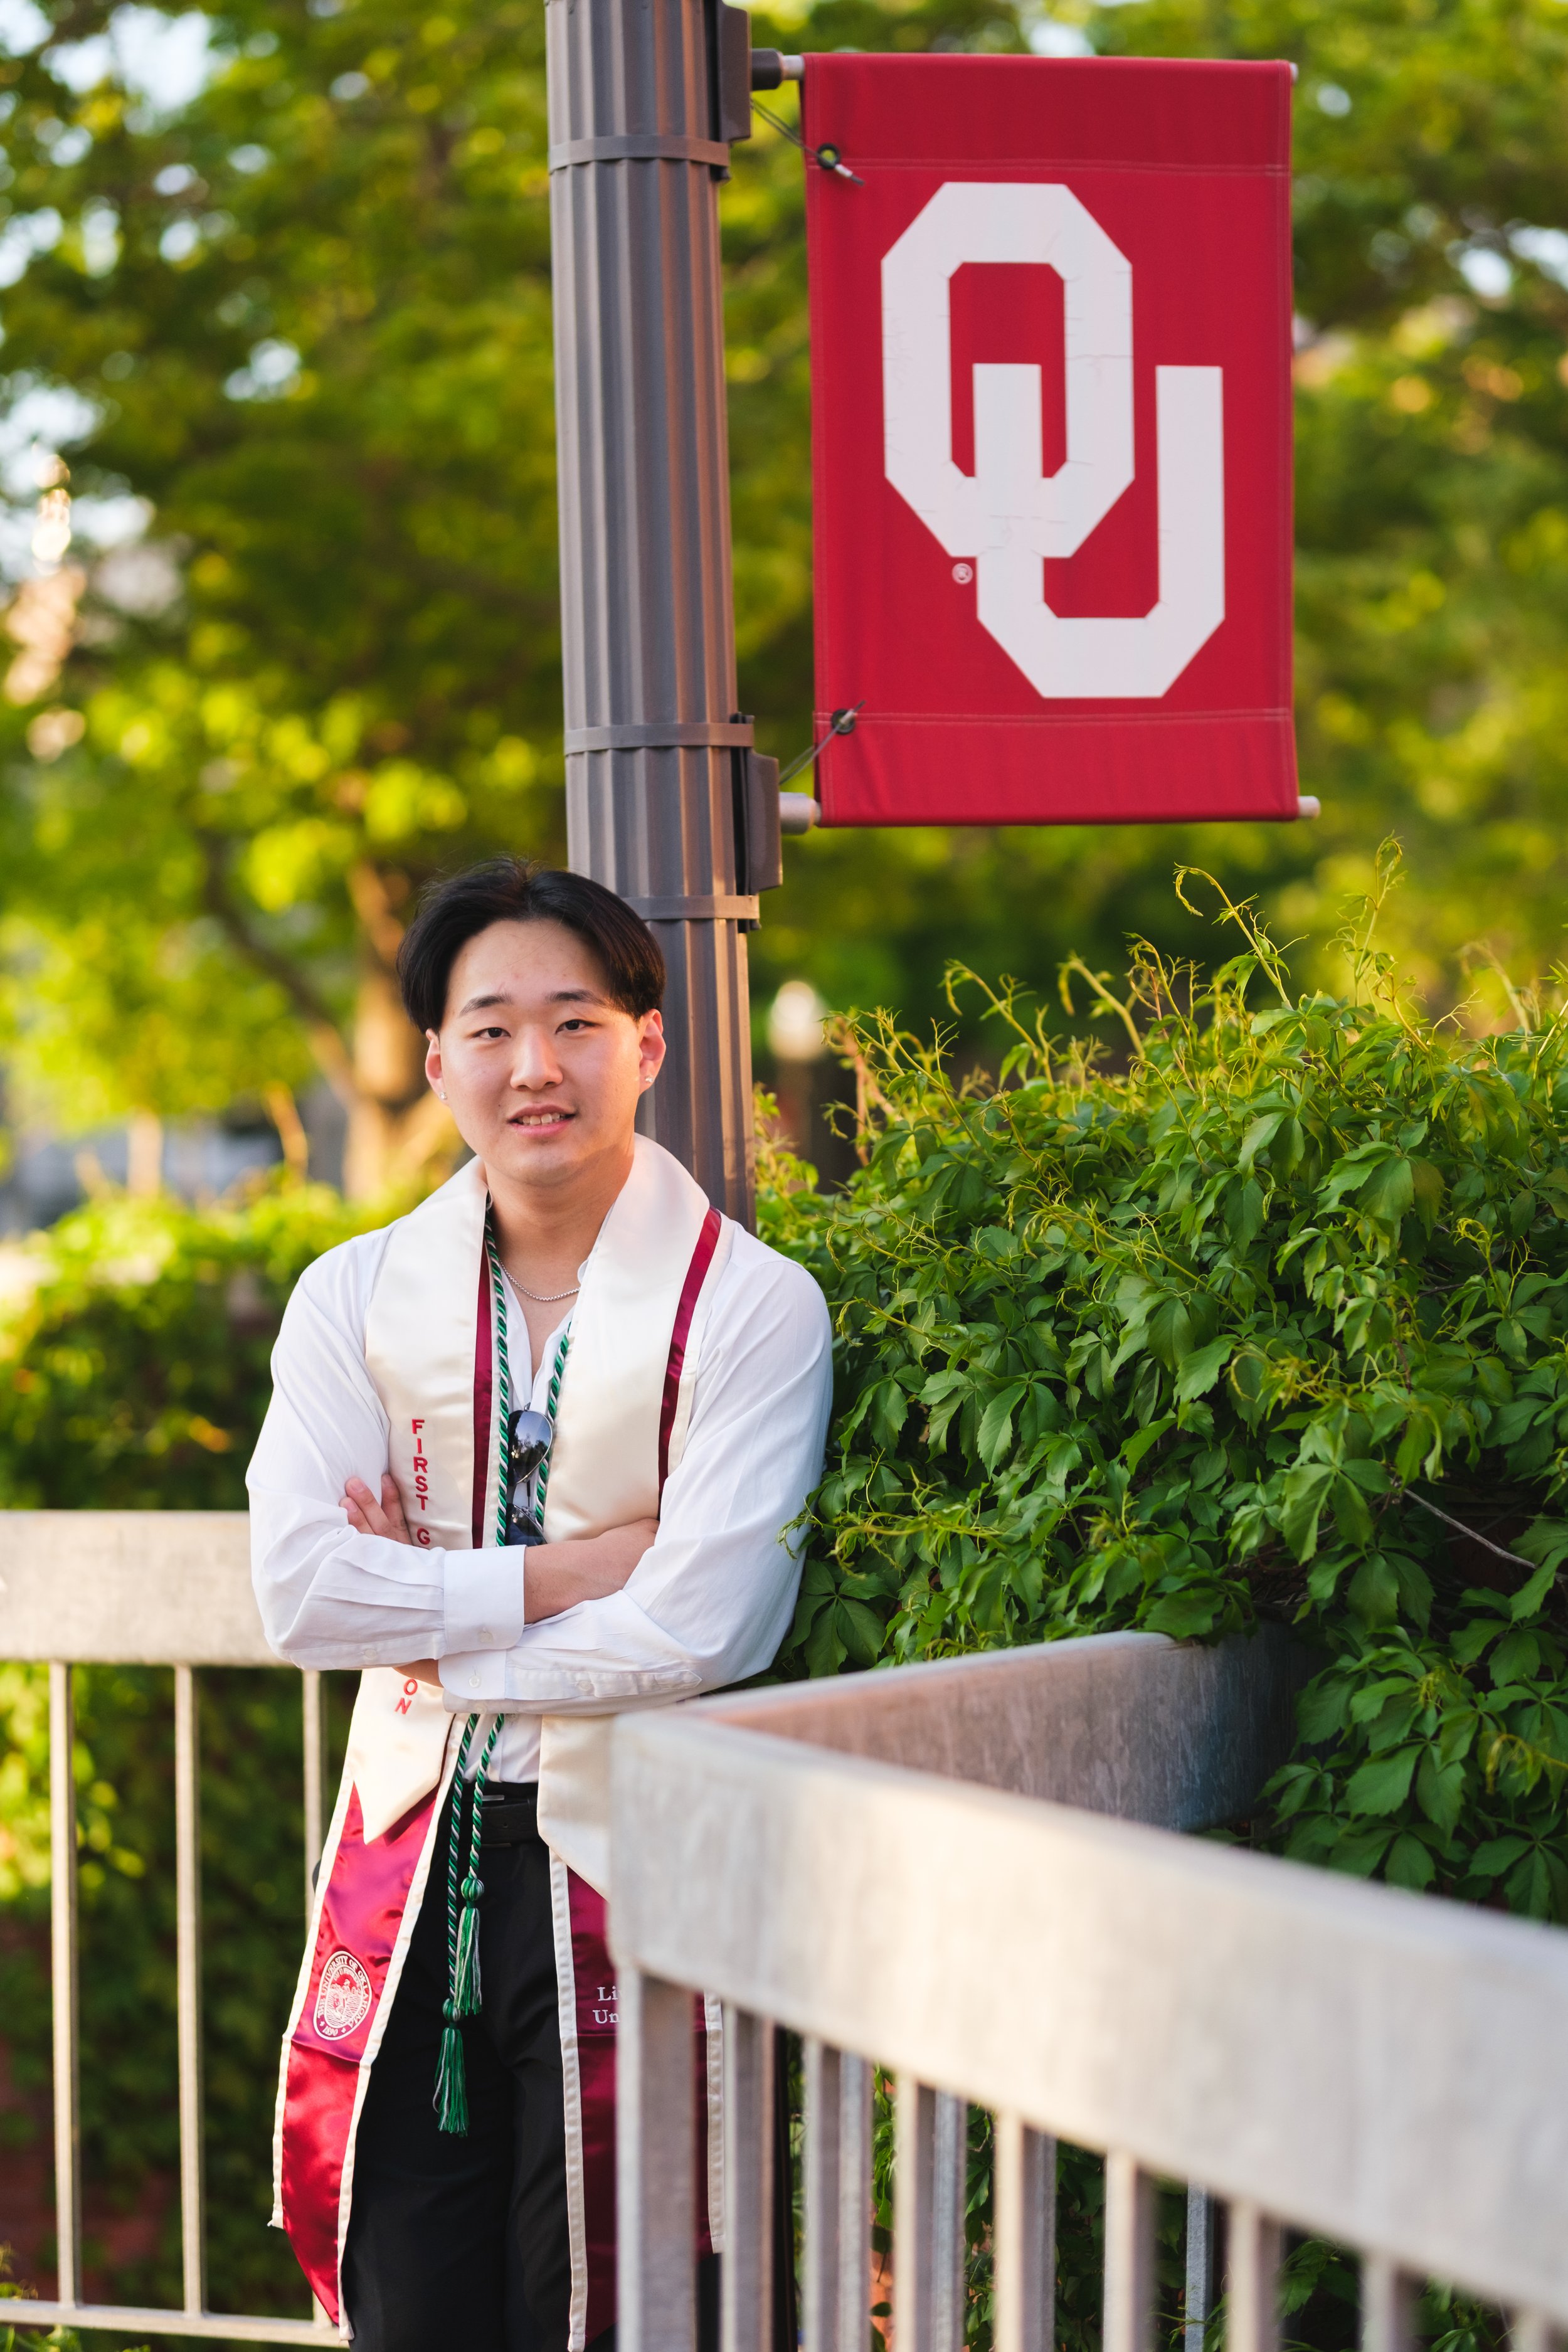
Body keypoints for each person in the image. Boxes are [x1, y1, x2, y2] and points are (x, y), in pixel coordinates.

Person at [248, 859, 833, 2351]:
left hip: (629, 1855)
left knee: (623, 2295)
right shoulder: (355, 1296)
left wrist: (428, 1623)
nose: (535, 1068)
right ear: (436, 1060)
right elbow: (303, 1591)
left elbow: (707, 1623)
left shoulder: (751, 1306)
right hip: (413, 1851)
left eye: (574, 1022)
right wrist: (567, 1575)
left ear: (647, 1043)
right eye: (491, 1028)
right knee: (412, 2294)